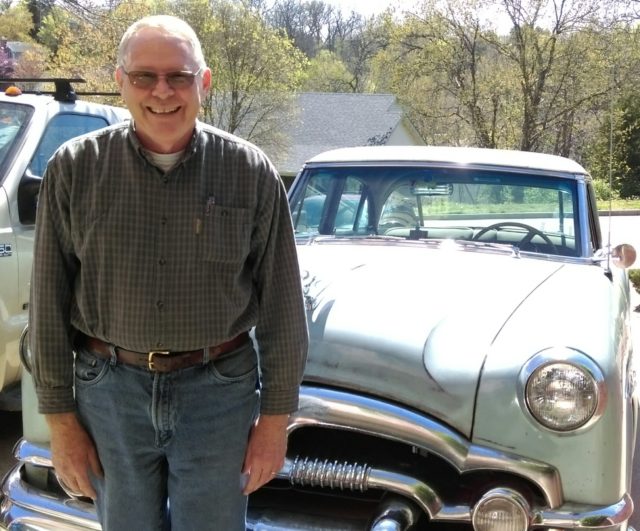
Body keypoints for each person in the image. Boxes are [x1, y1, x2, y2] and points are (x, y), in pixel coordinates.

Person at [30, 14, 308, 531]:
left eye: (178, 76)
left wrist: (275, 421)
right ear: (120, 82)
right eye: (144, 76)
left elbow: (283, 310)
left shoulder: (251, 173)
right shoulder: (74, 169)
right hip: (109, 393)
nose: (162, 91)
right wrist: (61, 421)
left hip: (218, 393)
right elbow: (47, 303)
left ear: (203, 82)